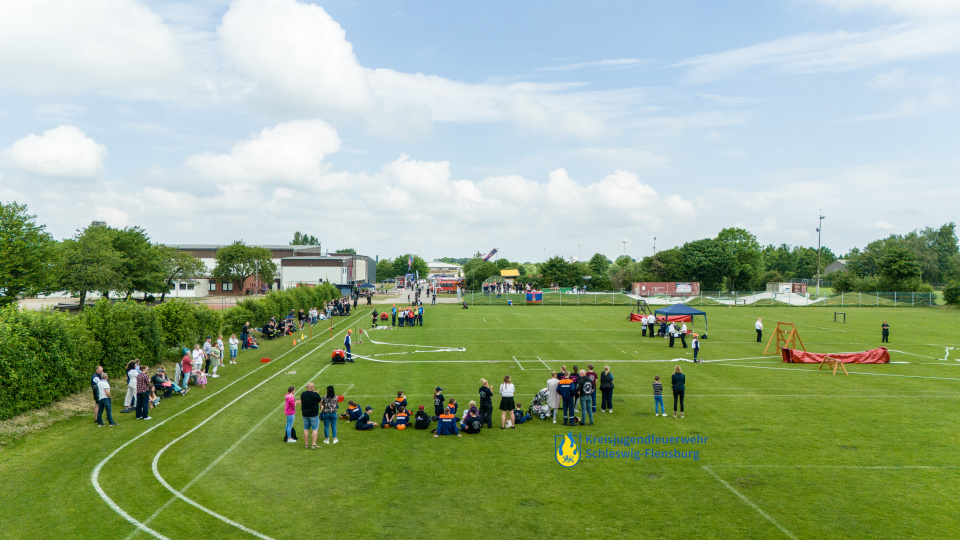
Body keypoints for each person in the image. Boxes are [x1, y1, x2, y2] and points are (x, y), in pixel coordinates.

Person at [299, 382, 322, 449]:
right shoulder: (315, 395)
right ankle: (313, 444)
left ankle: (306, 444)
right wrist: (317, 394)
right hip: (313, 414)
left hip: (305, 414)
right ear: (311, 387)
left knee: (306, 428)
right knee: (315, 429)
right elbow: (321, 401)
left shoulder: (303, 394)